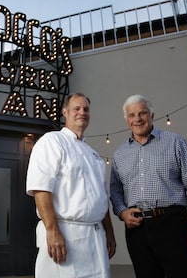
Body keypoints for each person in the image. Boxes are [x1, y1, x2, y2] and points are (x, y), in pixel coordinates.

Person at [110, 94, 187, 278]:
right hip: (136, 231)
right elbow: (115, 191)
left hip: (172, 225)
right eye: (132, 115)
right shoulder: (119, 154)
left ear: (152, 115)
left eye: (142, 113)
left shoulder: (175, 142)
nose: (137, 119)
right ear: (127, 120)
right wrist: (122, 212)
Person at [26, 92, 116, 278]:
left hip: (96, 237)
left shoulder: (93, 155)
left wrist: (109, 232)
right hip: (65, 234)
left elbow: (101, 197)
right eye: (76, 108)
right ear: (65, 112)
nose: (82, 112)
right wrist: (52, 231)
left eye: (86, 109)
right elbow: (41, 188)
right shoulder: (52, 141)